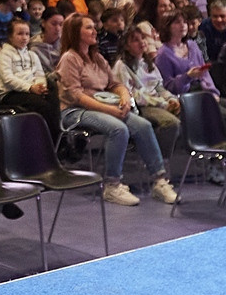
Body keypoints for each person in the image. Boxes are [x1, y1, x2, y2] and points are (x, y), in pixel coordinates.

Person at [56, 16, 177, 207]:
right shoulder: (69, 58)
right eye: (89, 28)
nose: (95, 31)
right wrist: (110, 110)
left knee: (144, 126)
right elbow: (77, 96)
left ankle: (159, 181)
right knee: (118, 129)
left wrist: (124, 98)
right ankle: (112, 185)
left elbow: (115, 84)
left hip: (104, 107)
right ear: (75, 33)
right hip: (75, 111)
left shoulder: (96, 57)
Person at [113, 23, 184, 163]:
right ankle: (158, 162)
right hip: (141, 107)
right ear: (126, 46)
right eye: (135, 40)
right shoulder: (122, 66)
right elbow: (132, 95)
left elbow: (159, 87)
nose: (141, 42)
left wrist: (171, 98)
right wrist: (161, 103)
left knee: (187, 113)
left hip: (158, 102)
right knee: (171, 123)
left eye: (142, 38)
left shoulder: (147, 62)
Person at [0, 17, 55, 126]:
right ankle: (48, 138)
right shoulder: (4, 55)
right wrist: (30, 88)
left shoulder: (32, 55)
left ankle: (57, 136)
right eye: (20, 34)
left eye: (27, 34)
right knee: (42, 105)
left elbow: (39, 74)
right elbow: (8, 79)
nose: (24, 38)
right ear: (10, 37)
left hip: (31, 90)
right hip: (11, 93)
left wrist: (40, 86)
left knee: (54, 98)